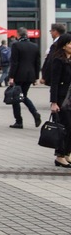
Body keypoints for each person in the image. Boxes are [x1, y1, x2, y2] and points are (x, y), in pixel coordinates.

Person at [7, 29, 44, 128]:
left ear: (18, 35)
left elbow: (14, 62)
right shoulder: (34, 46)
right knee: (23, 96)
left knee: (16, 97)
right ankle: (35, 113)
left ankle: (19, 121)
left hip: (19, 75)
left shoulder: (16, 45)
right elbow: (37, 63)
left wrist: (11, 77)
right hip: (30, 75)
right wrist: (36, 77)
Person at [46, 34, 71, 168]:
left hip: (70, 97)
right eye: (70, 43)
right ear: (63, 45)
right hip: (62, 98)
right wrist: (54, 102)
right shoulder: (58, 60)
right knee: (65, 127)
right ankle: (60, 156)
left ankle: (67, 153)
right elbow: (54, 82)